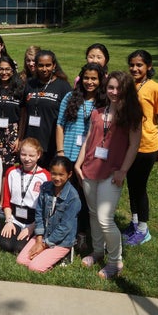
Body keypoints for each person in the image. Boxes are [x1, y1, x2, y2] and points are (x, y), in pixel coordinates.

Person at [75, 71, 142, 279]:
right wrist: (78, 164)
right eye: (110, 87)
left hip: (112, 174)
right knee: (94, 214)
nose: (114, 92)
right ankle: (97, 251)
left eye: (118, 88)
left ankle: (115, 261)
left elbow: (134, 146)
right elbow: (88, 140)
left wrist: (123, 170)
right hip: (89, 169)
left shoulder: (131, 116)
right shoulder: (97, 112)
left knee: (105, 218)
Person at [56, 63, 107, 240]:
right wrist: (60, 152)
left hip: (91, 157)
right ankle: (64, 227)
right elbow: (60, 125)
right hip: (68, 153)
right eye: (86, 77)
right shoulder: (70, 97)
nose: (89, 82)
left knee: (86, 197)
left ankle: (83, 231)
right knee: (67, 194)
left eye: (94, 78)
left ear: (101, 80)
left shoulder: (104, 102)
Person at [125, 50, 158, 246]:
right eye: (132, 65)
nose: (135, 68)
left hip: (147, 145)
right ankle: (134, 222)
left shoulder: (156, 88)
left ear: (148, 67)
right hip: (128, 145)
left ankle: (143, 229)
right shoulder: (129, 86)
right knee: (131, 185)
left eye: (139, 65)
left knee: (140, 187)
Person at [16, 156, 81, 273]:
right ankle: (46, 255)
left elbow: (65, 227)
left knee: (35, 267)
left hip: (61, 240)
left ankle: (65, 254)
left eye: (61, 174)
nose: (57, 178)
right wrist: (39, 239)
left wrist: (44, 245)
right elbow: (39, 214)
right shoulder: (45, 187)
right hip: (43, 235)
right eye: (54, 174)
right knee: (22, 261)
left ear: (69, 174)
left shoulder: (73, 197)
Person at [19, 50, 71, 167]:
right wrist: (20, 137)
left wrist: (61, 148)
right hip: (31, 143)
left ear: (54, 66)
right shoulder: (30, 84)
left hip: (51, 143)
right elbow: (23, 112)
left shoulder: (63, 86)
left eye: (48, 65)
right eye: (41, 65)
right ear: (36, 66)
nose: (44, 69)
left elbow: (68, 116)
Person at [0, 138, 50, 254]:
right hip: (15, 218)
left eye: (31, 155)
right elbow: (6, 201)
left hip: (34, 220)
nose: (27, 159)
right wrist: (8, 221)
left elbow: (46, 208)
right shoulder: (11, 172)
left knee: (19, 248)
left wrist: (32, 227)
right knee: (6, 245)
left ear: (39, 155)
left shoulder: (46, 176)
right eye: (23, 154)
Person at [0, 56, 24, 169]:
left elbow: (23, 116)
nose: (4, 72)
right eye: (1, 69)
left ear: (13, 71)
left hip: (12, 133)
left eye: (7, 69)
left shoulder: (20, 89)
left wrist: (19, 138)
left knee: (9, 168)